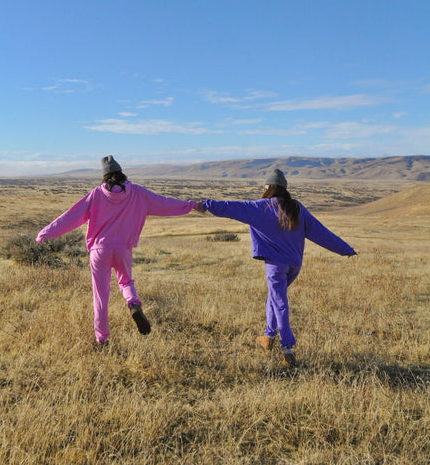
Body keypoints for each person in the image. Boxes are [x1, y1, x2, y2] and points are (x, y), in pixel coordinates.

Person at [198, 169, 356, 366]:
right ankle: (268, 336)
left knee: (280, 302)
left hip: (276, 265)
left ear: (269, 188)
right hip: (294, 264)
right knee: (274, 298)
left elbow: (232, 207)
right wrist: (344, 249)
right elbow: (320, 232)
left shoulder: (261, 207)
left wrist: (206, 204)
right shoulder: (297, 207)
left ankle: (287, 350)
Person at [36, 155, 198, 346]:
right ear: (121, 173)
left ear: (104, 177)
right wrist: (191, 205)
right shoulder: (137, 192)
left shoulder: (96, 194)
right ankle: (134, 303)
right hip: (123, 249)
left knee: (101, 295)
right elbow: (164, 203)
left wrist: (46, 233)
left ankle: (102, 338)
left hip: (99, 251)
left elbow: (71, 216)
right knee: (126, 281)